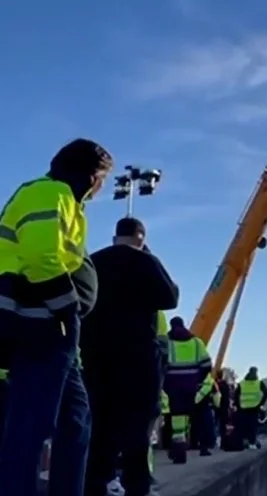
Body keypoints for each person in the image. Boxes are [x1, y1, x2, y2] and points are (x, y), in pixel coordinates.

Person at [0, 138, 113, 496]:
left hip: (52, 325)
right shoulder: (50, 193)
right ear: (91, 175)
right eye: (101, 179)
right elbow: (41, 258)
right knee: (31, 426)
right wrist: (68, 308)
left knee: (75, 421)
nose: (100, 188)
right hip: (38, 322)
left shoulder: (62, 200)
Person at [81, 217, 179, 496]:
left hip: (97, 355)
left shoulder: (95, 261)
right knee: (138, 423)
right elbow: (170, 297)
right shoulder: (146, 262)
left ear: (115, 237)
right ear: (141, 237)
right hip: (137, 356)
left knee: (100, 421)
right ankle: (137, 485)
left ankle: (97, 483)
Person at [163, 316, 212, 463]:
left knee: (177, 419)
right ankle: (197, 446)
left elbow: (160, 364)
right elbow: (207, 365)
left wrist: (165, 383)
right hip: (191, 388)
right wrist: (197, 379)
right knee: (192, 418)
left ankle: (178, 450)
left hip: (173, 387)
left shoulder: (168, 343)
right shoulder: (197, 343)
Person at [235, 366, 267, 449]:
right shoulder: (259, 383)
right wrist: (261, 404)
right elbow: (266, 392)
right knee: (253, 426)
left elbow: (236, 395)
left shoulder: (242, 383)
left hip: (243, 408)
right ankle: (252, 442)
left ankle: (243, 441)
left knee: (244, 425)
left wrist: (238, 405)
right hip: (254, 407)